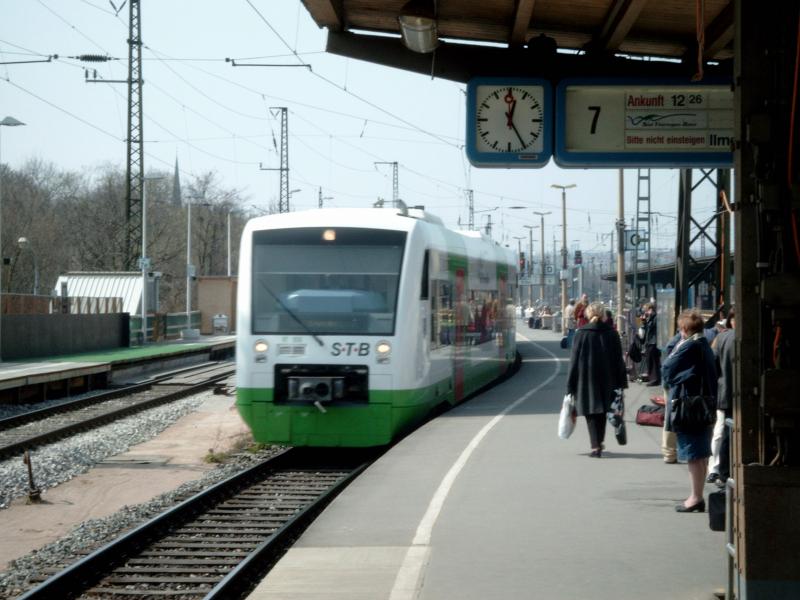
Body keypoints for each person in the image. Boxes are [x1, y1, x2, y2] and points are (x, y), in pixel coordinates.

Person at [662, 309, 718, 512]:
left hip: (689, 407)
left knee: (693, 454)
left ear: (684, 329)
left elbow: (667, 369)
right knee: (701, 454)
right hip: (703, 405)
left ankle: (695, 497)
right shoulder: (704, 345)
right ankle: (697, 495)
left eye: (680, 329)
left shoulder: (690, 347)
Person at [566, 301, 628, 458]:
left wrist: (570, 385)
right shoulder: (612, 333)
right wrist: (622, 382)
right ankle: (598, 443)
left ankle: (596, 446)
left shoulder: (581, 333)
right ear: (603, 314)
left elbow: (574, 361)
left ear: (587, 314)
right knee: (603, 411)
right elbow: (619, 360)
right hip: (609, 378)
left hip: (586, 379)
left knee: (591, 412)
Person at [708, 307, 735, 484]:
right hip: (731, 391)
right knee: (724, 432)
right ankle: (722, 469)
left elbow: (713, 364)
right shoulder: (755, 337)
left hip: (724, 391)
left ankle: (720, 470)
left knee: (723, 431)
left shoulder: (722, 338)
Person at [642, 303, 661, 386]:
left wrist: (648, 318)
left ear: (651, 309)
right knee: (649, 360)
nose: (646, 312)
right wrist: (645, 321)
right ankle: (652, 378)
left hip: (653, 342)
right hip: (650, 341)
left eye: (647, 310)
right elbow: (647, 328)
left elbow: (652, 327)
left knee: (652, 361)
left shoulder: (655, 317)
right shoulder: (651, 317)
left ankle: (654, 379)